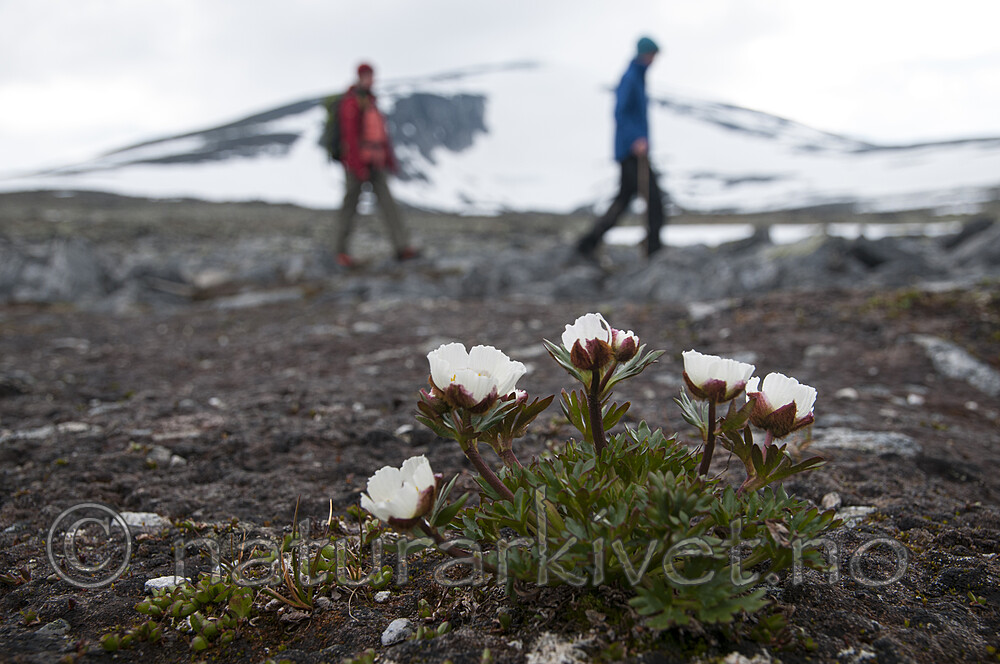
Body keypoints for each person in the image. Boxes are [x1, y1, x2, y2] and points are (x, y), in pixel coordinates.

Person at [577, 36, 668, 261]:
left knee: (623, 200)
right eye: (653, 55)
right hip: (631, 152)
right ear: (645, 54)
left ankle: (588, 243)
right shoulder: (630, 77)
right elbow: (620, 113)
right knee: (653, 199)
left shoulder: (638, 76)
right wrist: (635, 139)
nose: (654, 60)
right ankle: (653, 249)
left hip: (630, 150)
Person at [334, 62, 419, 267]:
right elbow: (350, 136)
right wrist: (357, 165)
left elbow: (381, 134)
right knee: (350, 206)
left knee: (389, 203)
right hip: (357, 164)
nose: (371, 80)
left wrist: (389, 160)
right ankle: (340, 251)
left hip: (376, 161)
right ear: (360, 77)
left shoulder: (371, 101)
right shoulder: (352, 102)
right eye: (367, 76)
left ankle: (402, 247)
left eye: (372, 76)